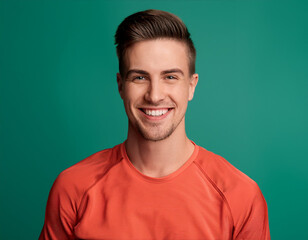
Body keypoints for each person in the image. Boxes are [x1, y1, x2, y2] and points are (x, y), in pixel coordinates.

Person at [39, 9, 270, 240]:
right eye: (139, 77)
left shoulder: (240, 196)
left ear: (191, 85)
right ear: (120, 85)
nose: (155, 95)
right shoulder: (73, 189)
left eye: (170, 77)